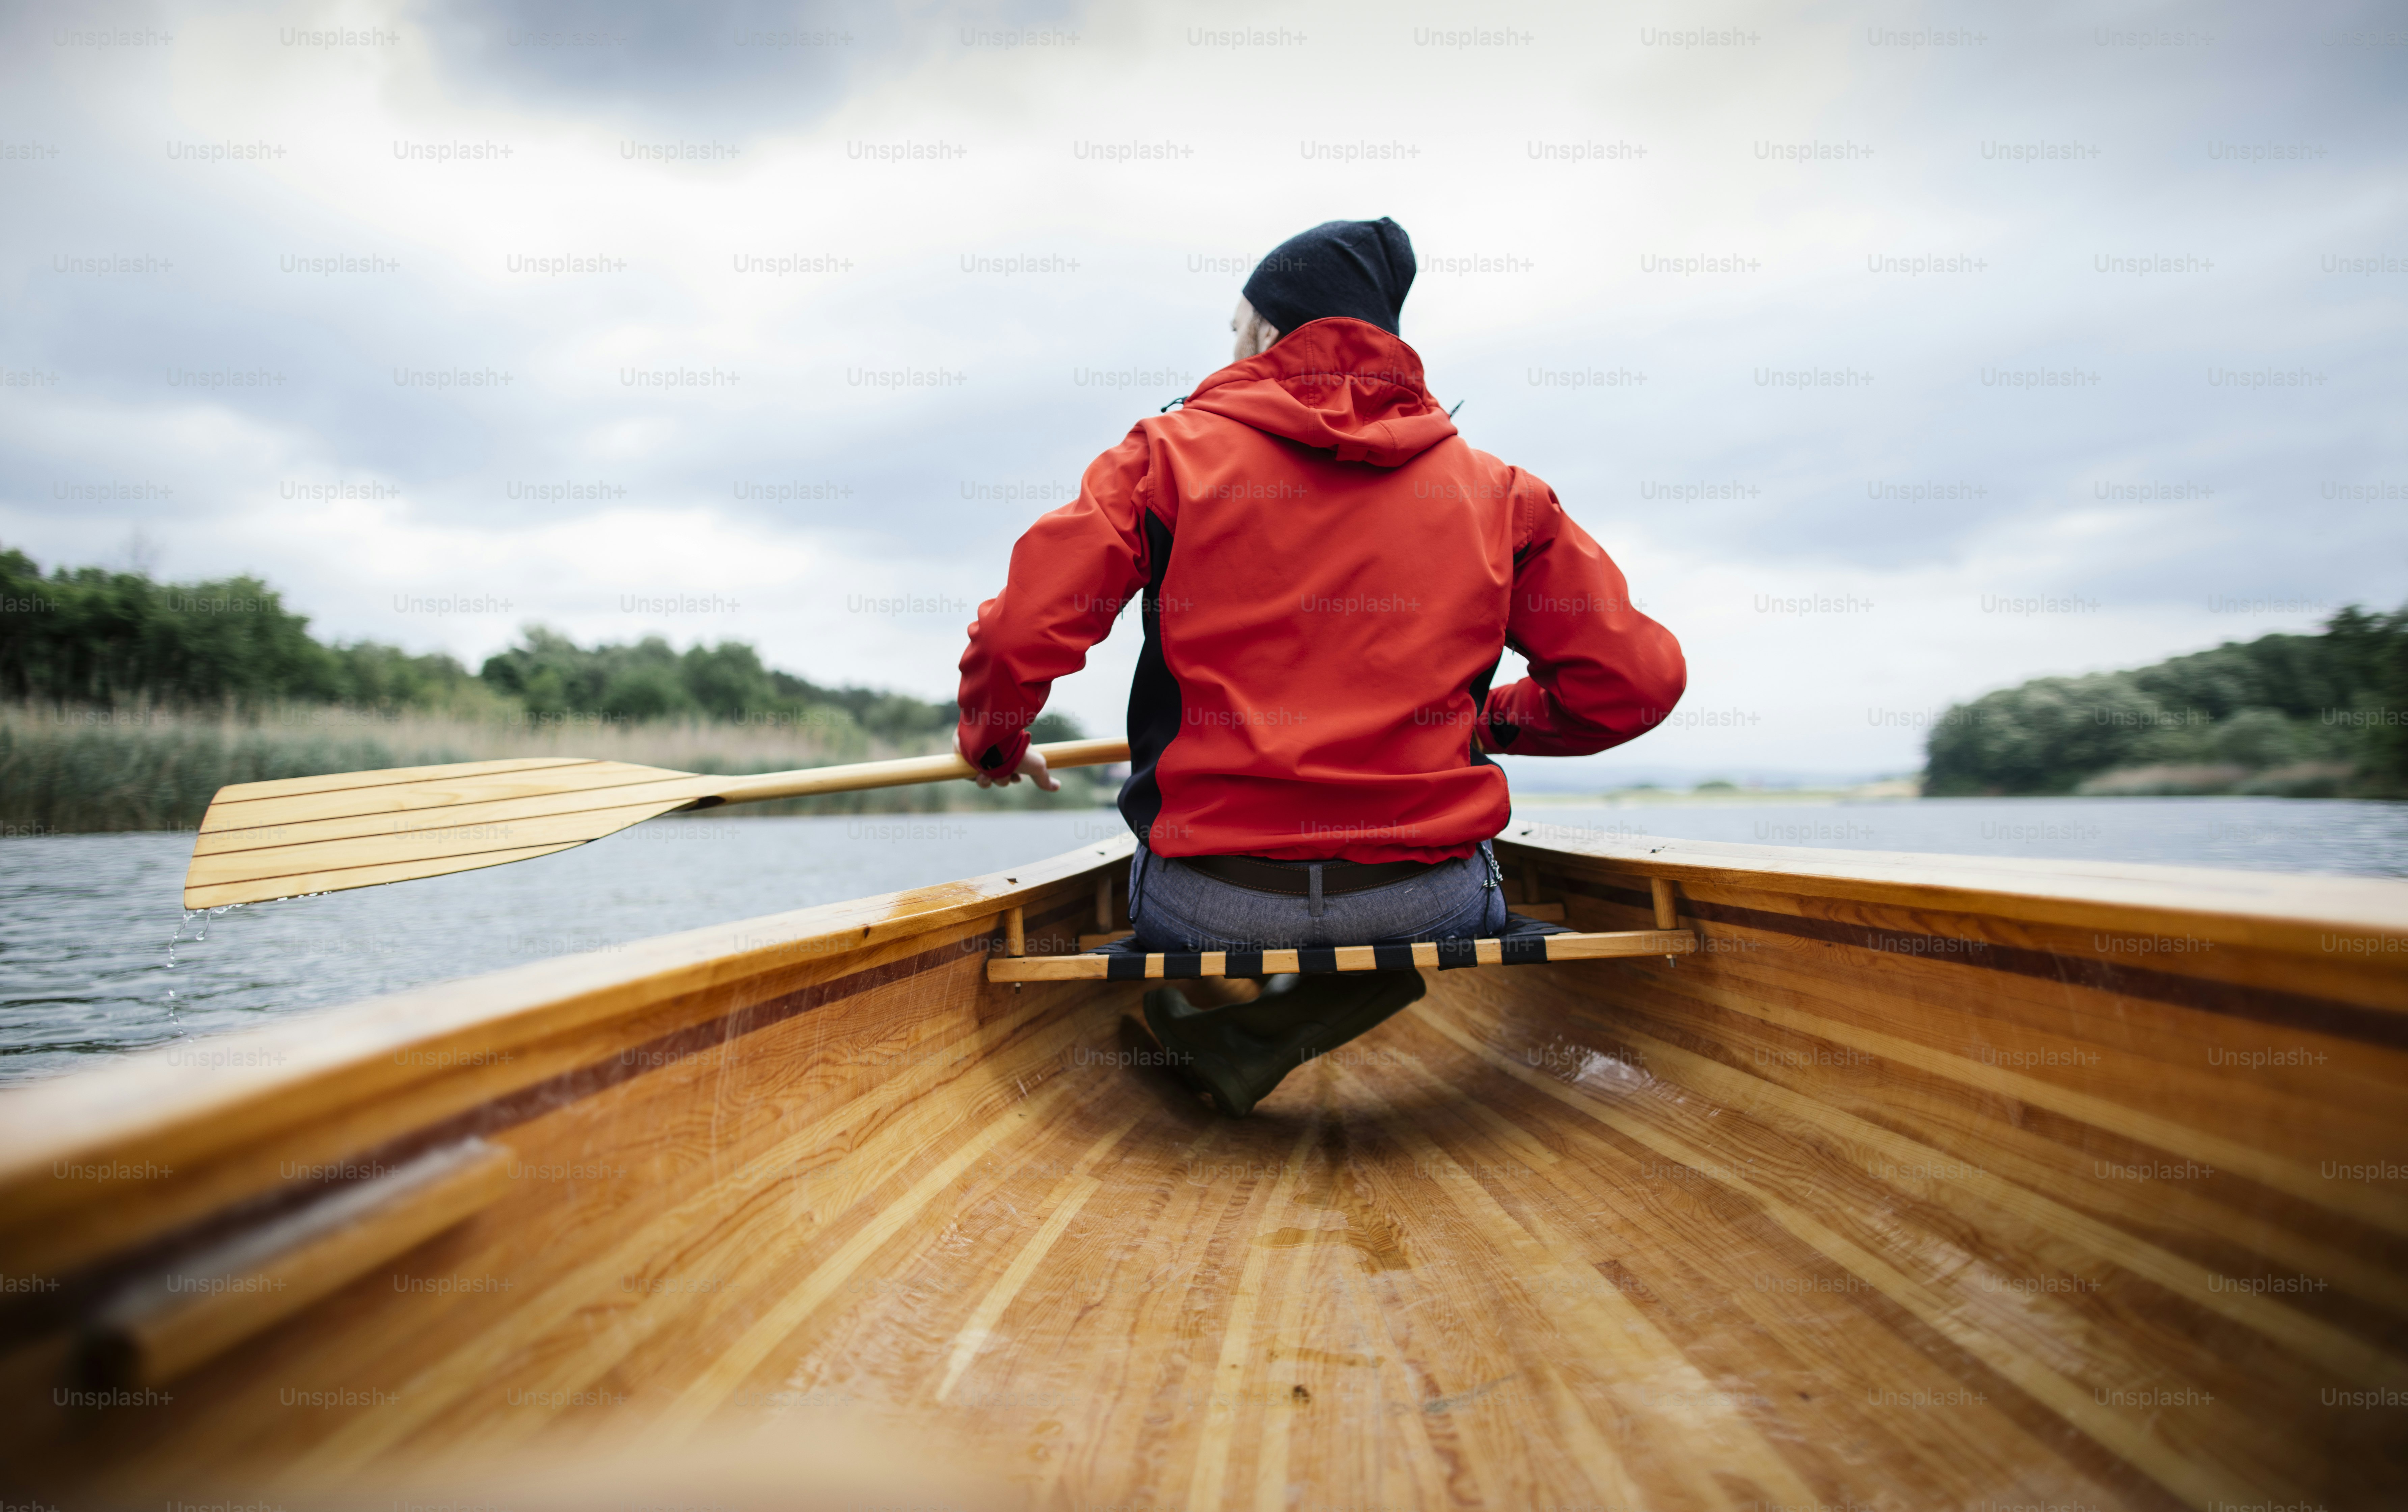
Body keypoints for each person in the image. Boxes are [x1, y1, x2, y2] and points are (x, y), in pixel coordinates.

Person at [954, 217, 1685, 1116]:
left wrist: (997, 741)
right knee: (1455, 894)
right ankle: (1297, 1013)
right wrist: (1490, 721)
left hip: (1212, 902)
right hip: (1425, 904)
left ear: (1267, 332)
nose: (1227, 351)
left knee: (1157, 876)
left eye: (1234, 330)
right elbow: (1636, 683)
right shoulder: (1501, 496)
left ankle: (1256, 1022)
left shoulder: (1165, 458)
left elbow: (1023, 628)